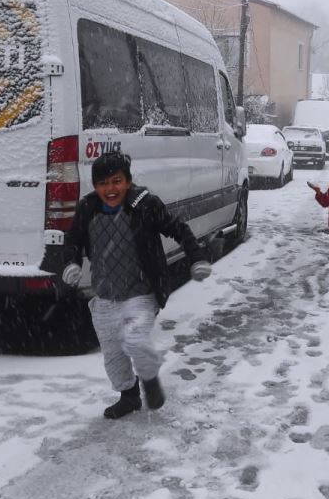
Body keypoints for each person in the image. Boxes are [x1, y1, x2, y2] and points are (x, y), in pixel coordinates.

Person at [46, 151, 211, 419]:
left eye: (116, 181)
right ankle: (129, 395)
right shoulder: (88, 209)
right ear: (95, 185)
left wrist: (197, 259)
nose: (110, 189)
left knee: (133, 339)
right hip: (104, 296)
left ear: (128, 181)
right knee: (112, 355)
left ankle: (149, 377)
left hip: (141, 292)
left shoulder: (145, 205)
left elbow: (178, 229)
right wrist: (71, 264)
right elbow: (72, 241)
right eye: (103, 184)